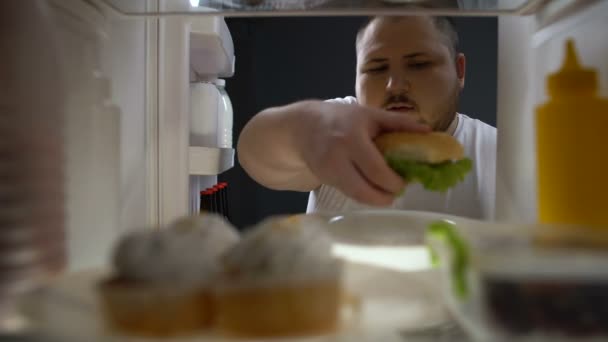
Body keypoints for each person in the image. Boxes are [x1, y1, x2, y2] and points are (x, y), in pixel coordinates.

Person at [237, 15, 496, 220]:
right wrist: (306, 129)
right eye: (376, 68)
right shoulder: (337, 127)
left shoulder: (497, 149)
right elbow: (254, 152)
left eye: (419, 64)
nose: (394, 85)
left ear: (459, 71)